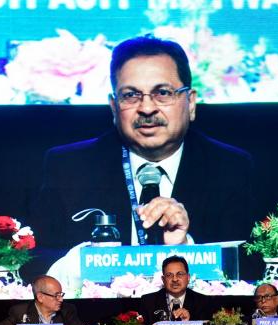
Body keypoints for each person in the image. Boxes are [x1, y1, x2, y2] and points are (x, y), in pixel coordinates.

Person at [32, 35, 255, 260]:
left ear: (191, 103)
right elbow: (39, 259)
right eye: (130, 95)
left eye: (163, 93)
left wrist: (186, 247)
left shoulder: (231, 168)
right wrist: (87, 261)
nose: (147, 108)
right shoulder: (69, 168)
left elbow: (250, 262)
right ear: (114, 107)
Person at [139, 255, 209, 325]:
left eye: (180, 274)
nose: (175, 279)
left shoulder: (203, 302)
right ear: (163, 279)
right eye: (169, 275)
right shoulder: (148, 302)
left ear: (188, 277)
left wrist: (188, 323)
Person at [0, 275, 84, 325]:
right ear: (40, 297)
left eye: (61, 294)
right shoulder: (20, 312)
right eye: (56, 295)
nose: (61, 299)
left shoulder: (67, 310)